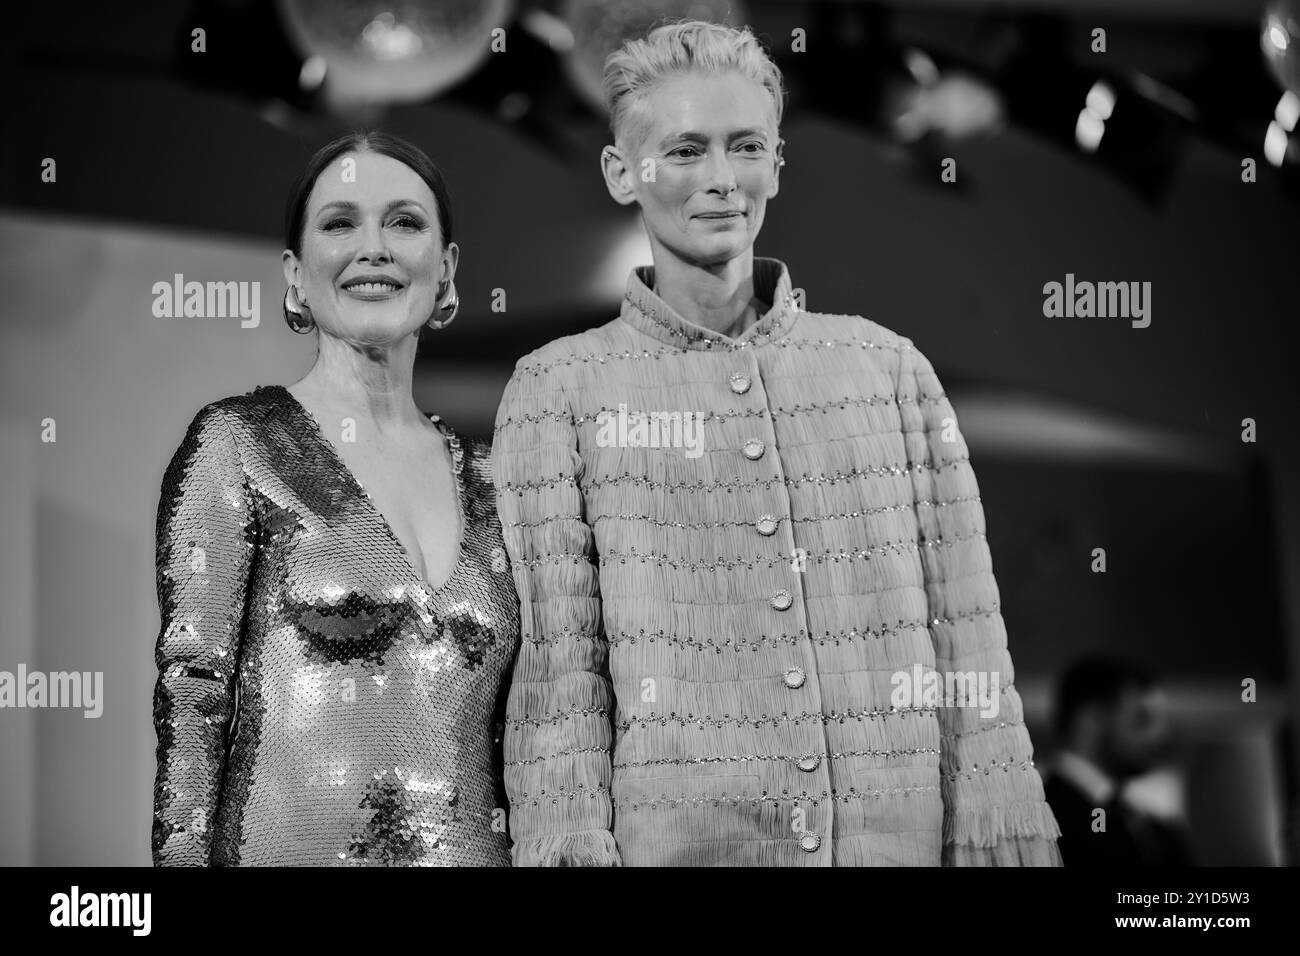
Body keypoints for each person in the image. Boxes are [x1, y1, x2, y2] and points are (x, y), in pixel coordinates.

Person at [492, 20, 1062, 866]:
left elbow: (968, 640)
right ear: (621, 173)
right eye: (686, 150)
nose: (722, 179)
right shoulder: (558, 390)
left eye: (746, 146)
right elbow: (559, 679)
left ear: (778, 164)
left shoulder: (890, 370)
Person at [152, 131, 518, 866]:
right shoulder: (239, 443)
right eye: (340, 223)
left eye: (404, 222)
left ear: (446, 270)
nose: (373, 248)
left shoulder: (497, 477)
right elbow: (192, 699)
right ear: (295, 275)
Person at [1045, 657, 1195, 867]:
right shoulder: (1039, 819)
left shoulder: (1153, 828)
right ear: (1090, 719)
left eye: (1163, 723)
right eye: (1142, 718)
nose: (1159, 735)